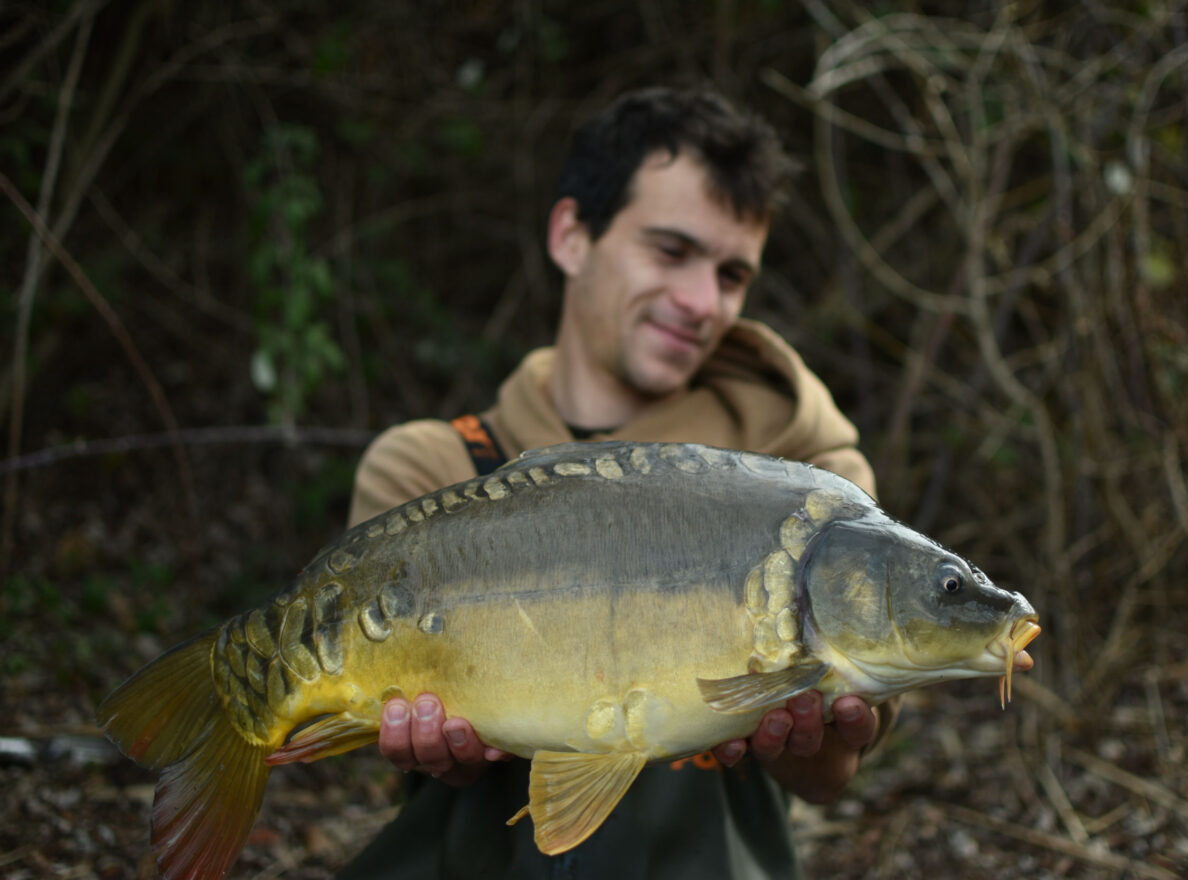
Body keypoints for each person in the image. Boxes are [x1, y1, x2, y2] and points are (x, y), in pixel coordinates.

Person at [339, 86, 898, 879]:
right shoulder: (435, 470)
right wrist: (440, 750)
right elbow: (398, 752)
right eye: (670, 251)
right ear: (571, 235)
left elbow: (836, 774)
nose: (703, 302)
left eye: (732, 274)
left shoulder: (817, 486)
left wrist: (817, 739)